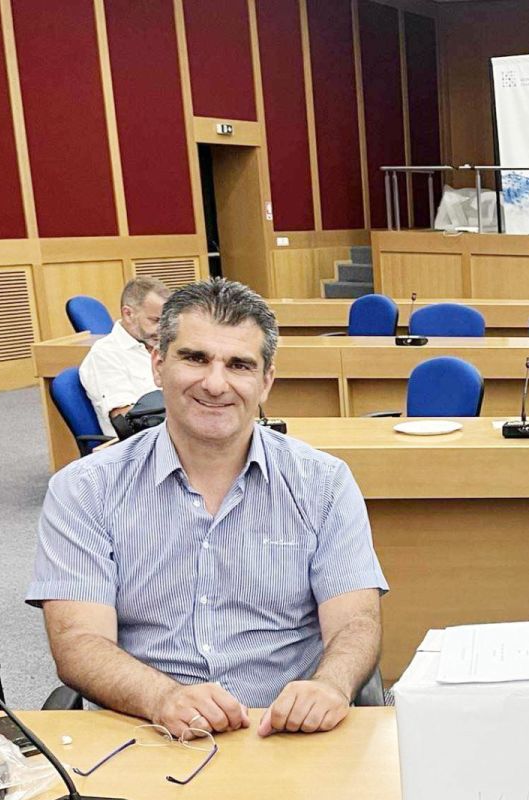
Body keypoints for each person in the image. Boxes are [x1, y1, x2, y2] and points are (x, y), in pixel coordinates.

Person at [27, 278, 389, 739]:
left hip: (284, 732)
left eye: (239, 365)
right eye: (195, 358)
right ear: (158, 366)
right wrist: (162, 698)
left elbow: (355, 623)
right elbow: (79, 641)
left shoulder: (323, 483)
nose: (215, 384)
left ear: (266, 381)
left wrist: (330, 685)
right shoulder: (84, 489)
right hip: (144, 731)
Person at [80, 276, 172, 436]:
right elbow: (126, 422)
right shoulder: (105, 355)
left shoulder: (161, 345)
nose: (163, 329)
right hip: (144, 441)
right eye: (155, 320)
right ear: (128, 314)